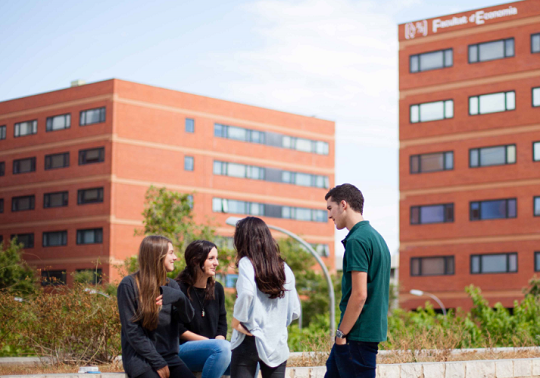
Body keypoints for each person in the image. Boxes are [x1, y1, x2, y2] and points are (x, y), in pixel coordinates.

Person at [324, 184, 391, 378]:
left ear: (343, 204)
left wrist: (341, 334)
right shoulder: (376, 237)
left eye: (330, 208)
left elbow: (360, 294)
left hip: (355, 336)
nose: (329, 215)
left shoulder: (357, 240)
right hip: (363, 335)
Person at [229, 216, 301, 378]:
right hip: (276, 343)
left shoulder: (247, 263)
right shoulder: (285, 268)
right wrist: (275, 323)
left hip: (248, 338)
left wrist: (236, 320)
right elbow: (295, 311)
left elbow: (246, 293)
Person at [117, 235, 196, 378]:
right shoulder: (129, 285)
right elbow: (132, 332)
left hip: (170, 358)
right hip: (140, 359)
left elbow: (188, 317)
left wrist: (180, 298)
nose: (175, 257)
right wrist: (158, 362)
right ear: (157, 256)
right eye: (171, 253)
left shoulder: (172, 285)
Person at [175, 240, 231, 378]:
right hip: (183, 350)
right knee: (222, 349)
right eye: (211, 258)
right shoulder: (178, 288)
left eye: (216, 258)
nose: (216, 263)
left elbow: (222, 324)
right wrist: (210, 343)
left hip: (215, 350)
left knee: (250, 360)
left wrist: (218, 341)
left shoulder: (217, 289)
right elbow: (178, 329)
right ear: (195, 261)